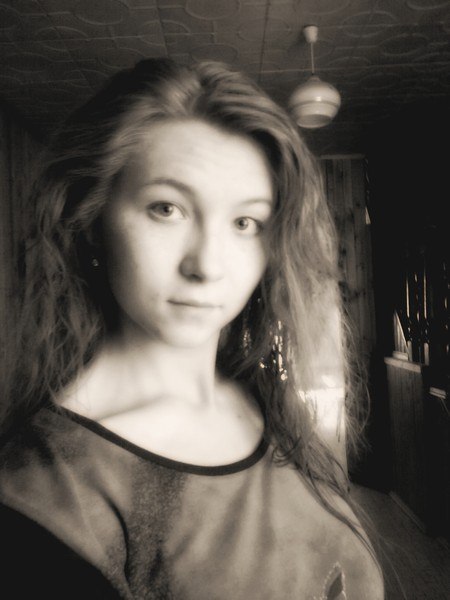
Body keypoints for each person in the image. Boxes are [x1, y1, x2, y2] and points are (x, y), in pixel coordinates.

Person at [0, 58, 383, 599]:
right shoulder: (46, 498)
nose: (207, 264)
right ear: (91, 220)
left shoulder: (264, 400)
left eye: (245, 222)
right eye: (167, 209)